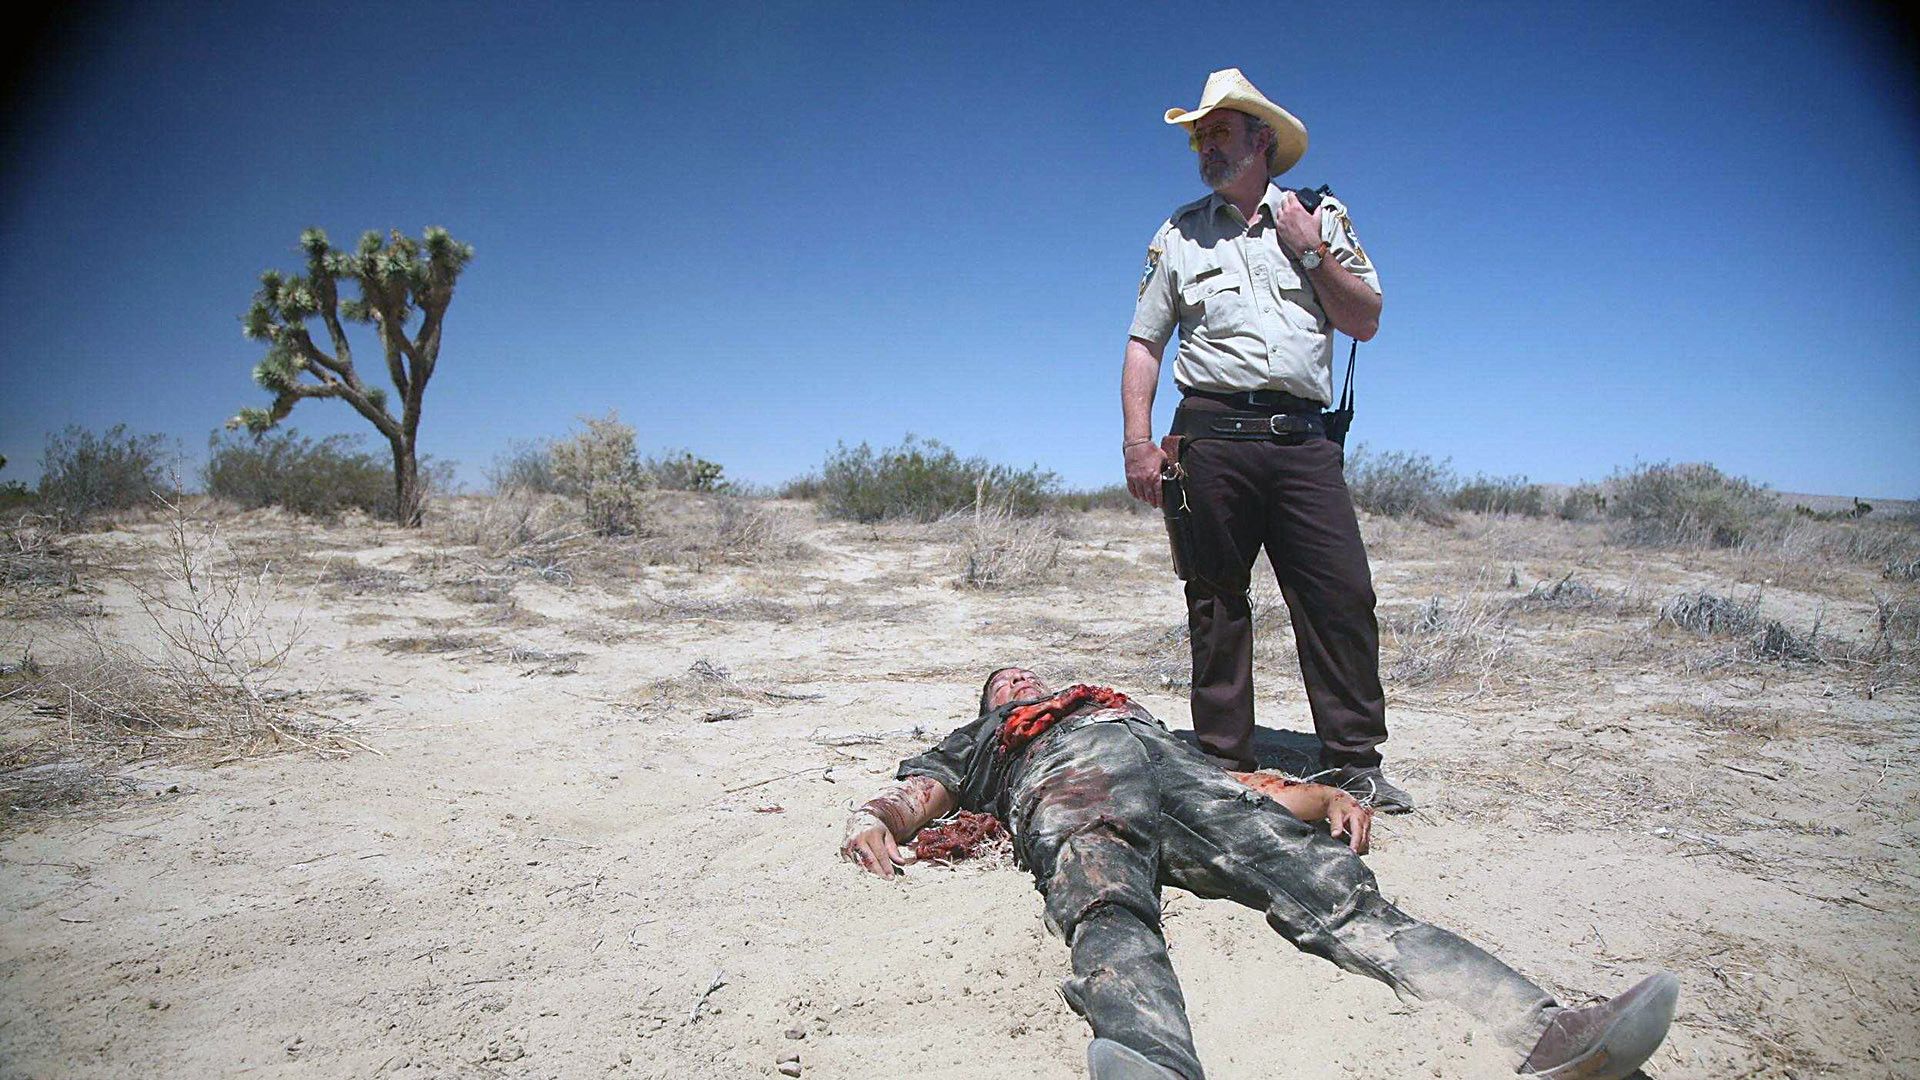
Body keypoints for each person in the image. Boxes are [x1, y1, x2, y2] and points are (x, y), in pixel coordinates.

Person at [841, 667, 1678, 1080]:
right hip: (1069, 779)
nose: (1020, 679)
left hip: (1179, 773)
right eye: (1003, 683)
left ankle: (1544, 1030)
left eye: (1027, 673)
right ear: (991, 705)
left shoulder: (1118, 704)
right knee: (1104, 897)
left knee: (1333, 890)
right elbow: (923, 793)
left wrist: (1314, 796)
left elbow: (1235, 779)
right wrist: (877, 818)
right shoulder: (992, 737)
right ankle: (1149, 1057)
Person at [1120, 68, 1411, 811]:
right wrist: (1137, 442)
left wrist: (1310, 251)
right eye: (1198, 137)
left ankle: (1353, 760)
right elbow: (1145, 342)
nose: (1204, 148)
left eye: (1217, 131)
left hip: (1303, 440)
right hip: (1210, 436)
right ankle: (1222, 760)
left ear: (1263, 142)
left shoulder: (1319, 217)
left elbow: (1366, 319)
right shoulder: (1178, 234)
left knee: (1341, 592)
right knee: (1215, 597)